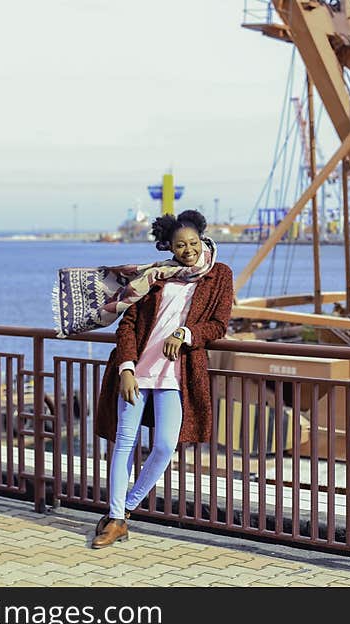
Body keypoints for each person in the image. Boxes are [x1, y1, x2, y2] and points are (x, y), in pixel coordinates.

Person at [52, 209, 233, 549]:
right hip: (138, 371)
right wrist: (126, 369)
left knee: (165, 445)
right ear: (169, 247)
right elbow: (128, 325)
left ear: (202, 239)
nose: (188, 250)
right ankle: (115, 517)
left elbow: (219, 324)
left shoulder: (219, 274)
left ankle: (125, 510)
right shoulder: (154, 277)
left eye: (193, 243)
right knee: (124, 443)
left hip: (176, 375)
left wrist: (187, 333)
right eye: (180, 246)